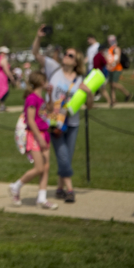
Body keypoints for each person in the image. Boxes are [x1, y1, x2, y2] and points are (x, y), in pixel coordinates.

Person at [31, 26, 92, 203]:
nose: (66, 55)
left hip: (72, 123)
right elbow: (35, 53)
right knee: (63, 155)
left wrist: (88, 93)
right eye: (66, 53)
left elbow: (89, 105)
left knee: (67, 156)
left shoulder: (80, 79)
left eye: (70, 55)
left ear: (76, 61)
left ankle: (59, 188)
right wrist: (38, 37)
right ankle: (70, 190)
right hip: (54, 121)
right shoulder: (53, 68)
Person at [9, 71, 58, 210]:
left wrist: (49, 95)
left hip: (44, 134)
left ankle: (42, 199)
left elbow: (49, 110)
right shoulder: (31, 98)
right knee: (39, 168)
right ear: (41, 82)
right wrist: (39, 138)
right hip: (35, 136)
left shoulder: (40, 98)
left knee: (46, 168)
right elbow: (30, 120)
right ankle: (16, 186)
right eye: (46, 80)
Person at [105, 34, 131, 107]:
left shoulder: (116, 48)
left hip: (117, 69)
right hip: (111, 69)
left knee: (114, 84)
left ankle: (127, 94)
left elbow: (117, 60)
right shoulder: (109, 49)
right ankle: (113, 100)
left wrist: (111, 66)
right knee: (111, 85)